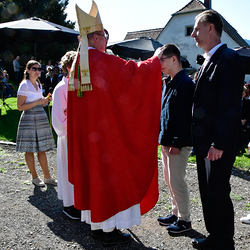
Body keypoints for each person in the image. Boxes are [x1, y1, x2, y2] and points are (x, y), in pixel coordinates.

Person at [67, 2, 164, 246]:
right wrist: (155, 61)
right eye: (105, 35)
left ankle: (97, 226)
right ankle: (108, 228)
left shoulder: (78, 64)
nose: (106, 40)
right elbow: (131, 74)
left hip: (89, 136)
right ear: (97, 36)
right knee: (111, 178)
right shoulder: (99, 59)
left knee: (94, 176)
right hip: (107, 137)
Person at [191, 10, 245, 249]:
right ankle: (215, 237)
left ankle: (224, 242)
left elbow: (229, 107)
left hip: (217, 144)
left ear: (211, 28)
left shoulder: (229, 59)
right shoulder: (209, 59)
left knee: (218, 193)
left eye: (196, 28)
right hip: (206, 143)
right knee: (208, 192)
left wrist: (218, 144)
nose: (193, 34)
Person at [157, 44, 194, 233]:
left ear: (174, 59)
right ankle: (175, 212)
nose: (158, 64)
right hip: (167, 141)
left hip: (177, 143)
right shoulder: (170, 82)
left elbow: (184, 117)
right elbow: (165, 114)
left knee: (178, 181)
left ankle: (184, 220)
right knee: (170, 181)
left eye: (161, 60)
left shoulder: (185, 84)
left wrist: (176, 142)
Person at [16, 60, 57, 187]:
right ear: (27, 70)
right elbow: (19, 107)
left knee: (42, 149)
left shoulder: (38, 84)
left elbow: (41, 103)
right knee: (29, 150)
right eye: (34, 69)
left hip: (40, 116)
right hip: (28, 118)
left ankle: (47, 177)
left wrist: (46, 100)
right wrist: (38, 102)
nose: (37, 71)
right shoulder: (24, 85)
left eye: (39, 69)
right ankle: (34, 177)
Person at [52, 51, 81, 220]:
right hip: (67, 137)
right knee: (67, 168)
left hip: (79, 136)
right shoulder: (61, 88)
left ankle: (78, 201)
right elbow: (58, 120)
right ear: (69, 67)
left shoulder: (77, 85)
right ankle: (69, 205)